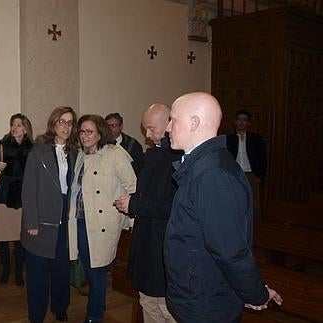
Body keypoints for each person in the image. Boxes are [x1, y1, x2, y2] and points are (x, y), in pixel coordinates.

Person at [163, 92, 282, 321]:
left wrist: (254, 293)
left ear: (194, 123)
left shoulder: (213, 174)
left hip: (206, 301)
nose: (168, 127)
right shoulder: (201, 166)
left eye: (173, 119)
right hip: (196, 294)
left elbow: (231, 250)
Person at [114, 103, 181, 323]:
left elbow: (173, 206)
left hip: (163, 242)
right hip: (146, 239)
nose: (148, 135)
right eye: (145, 129)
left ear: (169, 124)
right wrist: (133, 202)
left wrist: (135, 205)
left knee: (165, 306)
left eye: (152, 129)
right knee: (147, 302)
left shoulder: (178, 158)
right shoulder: (154, 153)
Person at [68, 114, 136, 323]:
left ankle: (94, 315)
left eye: (89, 131)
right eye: (81, 131)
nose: (84, 135)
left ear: (100, 133)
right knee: (89, 268)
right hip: (80, 220)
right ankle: (99, 304)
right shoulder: (80, 155)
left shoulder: (115, 154)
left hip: (102, 223)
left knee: (97, 271)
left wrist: (130, 218)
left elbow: (132, 186)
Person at [21, 106, 78, 323]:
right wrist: (31, 222)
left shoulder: (75, 152)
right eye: (62, 122)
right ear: (53, 124)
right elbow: (29, 190)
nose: (66, 126)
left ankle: (60, 308)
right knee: (37, 272)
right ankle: (36, 314)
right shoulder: (39, 151)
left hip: (65, 215)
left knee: (62, 268)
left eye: (70, 122)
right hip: (42, 216)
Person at [0, 113, 33, 286]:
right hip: (3, 197)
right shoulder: (1, 146)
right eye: (13, 124)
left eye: (18, 125)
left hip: (23, 198)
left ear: (25, 129)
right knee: (2, 236)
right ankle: (6, 271)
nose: (14, 128)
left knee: (20, 239)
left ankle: (18, 273)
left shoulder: (33, 148)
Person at [226, 109, 267, 220]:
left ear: (248, 123)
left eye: (244, 120)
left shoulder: (256, 139)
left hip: (252, 174)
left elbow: (262, 158)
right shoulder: (229, 139)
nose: (241, 122)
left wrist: (259, 176)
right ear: (235, 122)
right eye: (239, 119)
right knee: (234, 199)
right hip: (235, 174)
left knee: (254, 201)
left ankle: (255, 224)